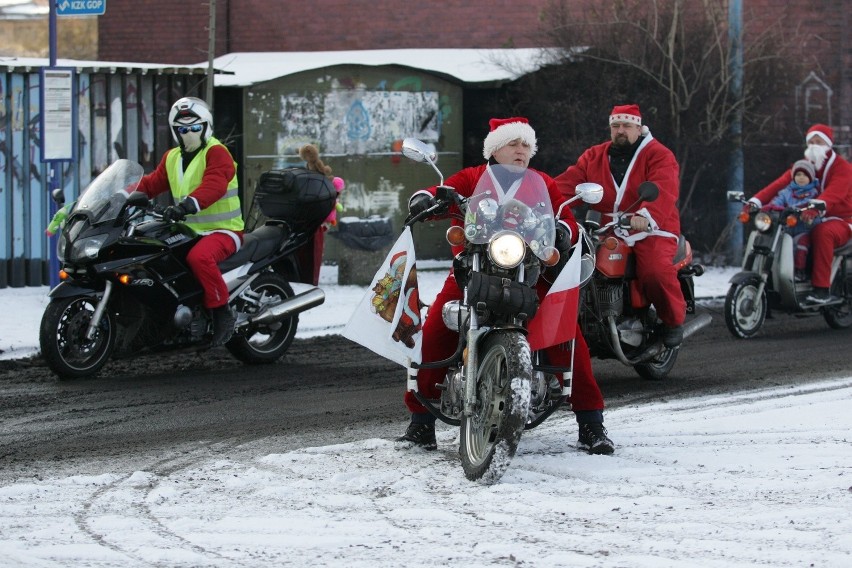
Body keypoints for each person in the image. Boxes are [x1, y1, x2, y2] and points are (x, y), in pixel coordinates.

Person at [396, 117, 615, 456]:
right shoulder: (472, 177)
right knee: (438, 327)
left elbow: (564, 217)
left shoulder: (543, 182)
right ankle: (421, 423)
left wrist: (564, 231)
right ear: (494, 149)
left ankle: (591, 424)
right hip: (473, 270)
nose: (521, 151)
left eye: (526, 145)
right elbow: (443, 193)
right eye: (514, 144)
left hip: (528, 271)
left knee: (566, 337)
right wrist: (427, 198)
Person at [554, 104, 686, 348]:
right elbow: (568, 182)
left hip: (651, 228)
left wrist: (646, 215)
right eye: (616, 126)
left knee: (655, 270)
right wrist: (542, 201)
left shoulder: (658, 154)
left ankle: (672, 321)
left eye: (626, 125)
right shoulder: (594, 156)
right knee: (565, 264)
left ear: (638, 127)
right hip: (604, 229)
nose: (620, 131)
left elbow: (664, 187)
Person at [135, 96, 244, 346]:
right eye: (183, 129)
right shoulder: (173, 157)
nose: (189, 134)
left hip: (223, 230)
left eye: (195, 128)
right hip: (189, 229)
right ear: (175, 131)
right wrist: (120, 196)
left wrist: (187, 205)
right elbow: (151, 183)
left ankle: (221, 312)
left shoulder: (217, 152)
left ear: (206, 127)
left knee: (199, 258)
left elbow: (214, 184)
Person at [746, 124, 852, 303]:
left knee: (823, 232)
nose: (814, 145)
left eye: (818, 141)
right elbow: (780, 183)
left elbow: (834, 192)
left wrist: (815, 207)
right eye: (810, 141)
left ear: (828, 144)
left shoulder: (843, 168)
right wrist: (755, 201)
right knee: (779, 230)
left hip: (841, 219)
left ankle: (821, 289)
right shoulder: (805, 165)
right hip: (809, 216)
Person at [761, 160, 821, 279]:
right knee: (776, 242)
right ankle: (772, 270)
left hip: (805, 229)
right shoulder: (787, 191)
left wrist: (796, 209)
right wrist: (769, 207)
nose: (801, 178)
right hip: (787, 228)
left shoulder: (813, 193)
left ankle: (799, 270)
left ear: (811, 177)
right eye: (798, 175)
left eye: (805, 175)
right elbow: (777, 201)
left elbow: (808, 204)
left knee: (801, 244)